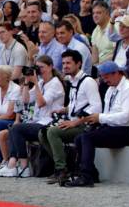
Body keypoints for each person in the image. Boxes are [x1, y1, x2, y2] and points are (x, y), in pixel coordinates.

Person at [64, 61, 129, 187]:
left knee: (87, 138)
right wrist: (96, 120)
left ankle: (86, 176)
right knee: (79, 138)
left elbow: (125, 117)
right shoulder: (111, 90)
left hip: (126, 129)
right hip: (112, 127)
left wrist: (100, 118)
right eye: (103, 77)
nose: (105, 80)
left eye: (106, 77)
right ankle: (91, 173)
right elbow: (107, 113)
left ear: (116, 73)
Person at [39, 50, 102, 185]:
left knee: (52, 131)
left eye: (68, 63)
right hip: (73, 121)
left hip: (85, 125)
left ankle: (61, 169)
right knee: (42, 132)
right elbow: (77, 103)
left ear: (78, 63)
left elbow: (96, 107)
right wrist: (64, 109)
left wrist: (75, 122)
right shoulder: (72, 81)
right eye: (63, 63)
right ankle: (65, 166)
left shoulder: (88, 82)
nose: (65, 66)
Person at [2, 56, 66, 178]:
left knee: (17, 129)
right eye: (38, 67)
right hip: (38, 121)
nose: (40, 70)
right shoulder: (42, 83)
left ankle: (22, 165)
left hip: (49, 123)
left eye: (42, 67)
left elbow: (41, 103)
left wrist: (35, 83)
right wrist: (27, 81)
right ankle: (13, 164)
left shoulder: (55, 84)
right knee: (14, 127)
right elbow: (25, 100)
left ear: (51, 67)